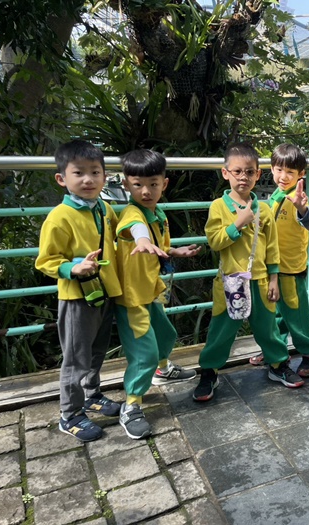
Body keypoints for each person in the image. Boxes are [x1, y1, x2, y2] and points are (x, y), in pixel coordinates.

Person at [194, 142, 305, 401]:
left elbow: (272, 247)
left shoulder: (263, 208)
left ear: (257, 174)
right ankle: (209, 371)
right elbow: (215, 242)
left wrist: (274, 279)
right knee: (221, 329)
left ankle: (278, 364)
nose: (243, 177)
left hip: (261, 279)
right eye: (237, 171)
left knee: (267, 327)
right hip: (230, 281)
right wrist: (238, 224)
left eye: (249, 172)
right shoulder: (218, 207)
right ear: (226, 173)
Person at [35, 140, 123, 442]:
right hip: (77, 298)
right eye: (79, 173)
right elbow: (46, 260)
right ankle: (69, 414)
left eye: (95, 172)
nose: (88, 179)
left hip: (104, 292)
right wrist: (73, 267)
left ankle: (91, 394)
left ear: (104, 176)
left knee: (97, 349)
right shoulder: (60, 217)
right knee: (76, 357)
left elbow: (118, 236)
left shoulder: (104, 208)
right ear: (62, 178)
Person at [114, 149, 200, 439]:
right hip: (132, 298)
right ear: (126, 184)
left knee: (165, 335)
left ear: (165, 183)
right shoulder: (132, 213)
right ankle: (131, 404)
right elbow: (136, 229)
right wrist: (141, 239)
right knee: (144, 354)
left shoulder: (157, 214)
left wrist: (175, 251)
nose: (146, 191)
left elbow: (158, 246)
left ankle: (163, 371)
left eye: (153, 184)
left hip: (150, 291)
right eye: (137, 184)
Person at [248, 144, 309, 377]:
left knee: (296, 314)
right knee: (277, 312)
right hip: (273, 267)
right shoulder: (274, 197)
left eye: (290, 172)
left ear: (301, 174)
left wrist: (301, 208)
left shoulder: (297, 198)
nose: (283, 176)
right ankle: (276, 350)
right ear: (271, 169)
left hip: (291, 267)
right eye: (279, 170)